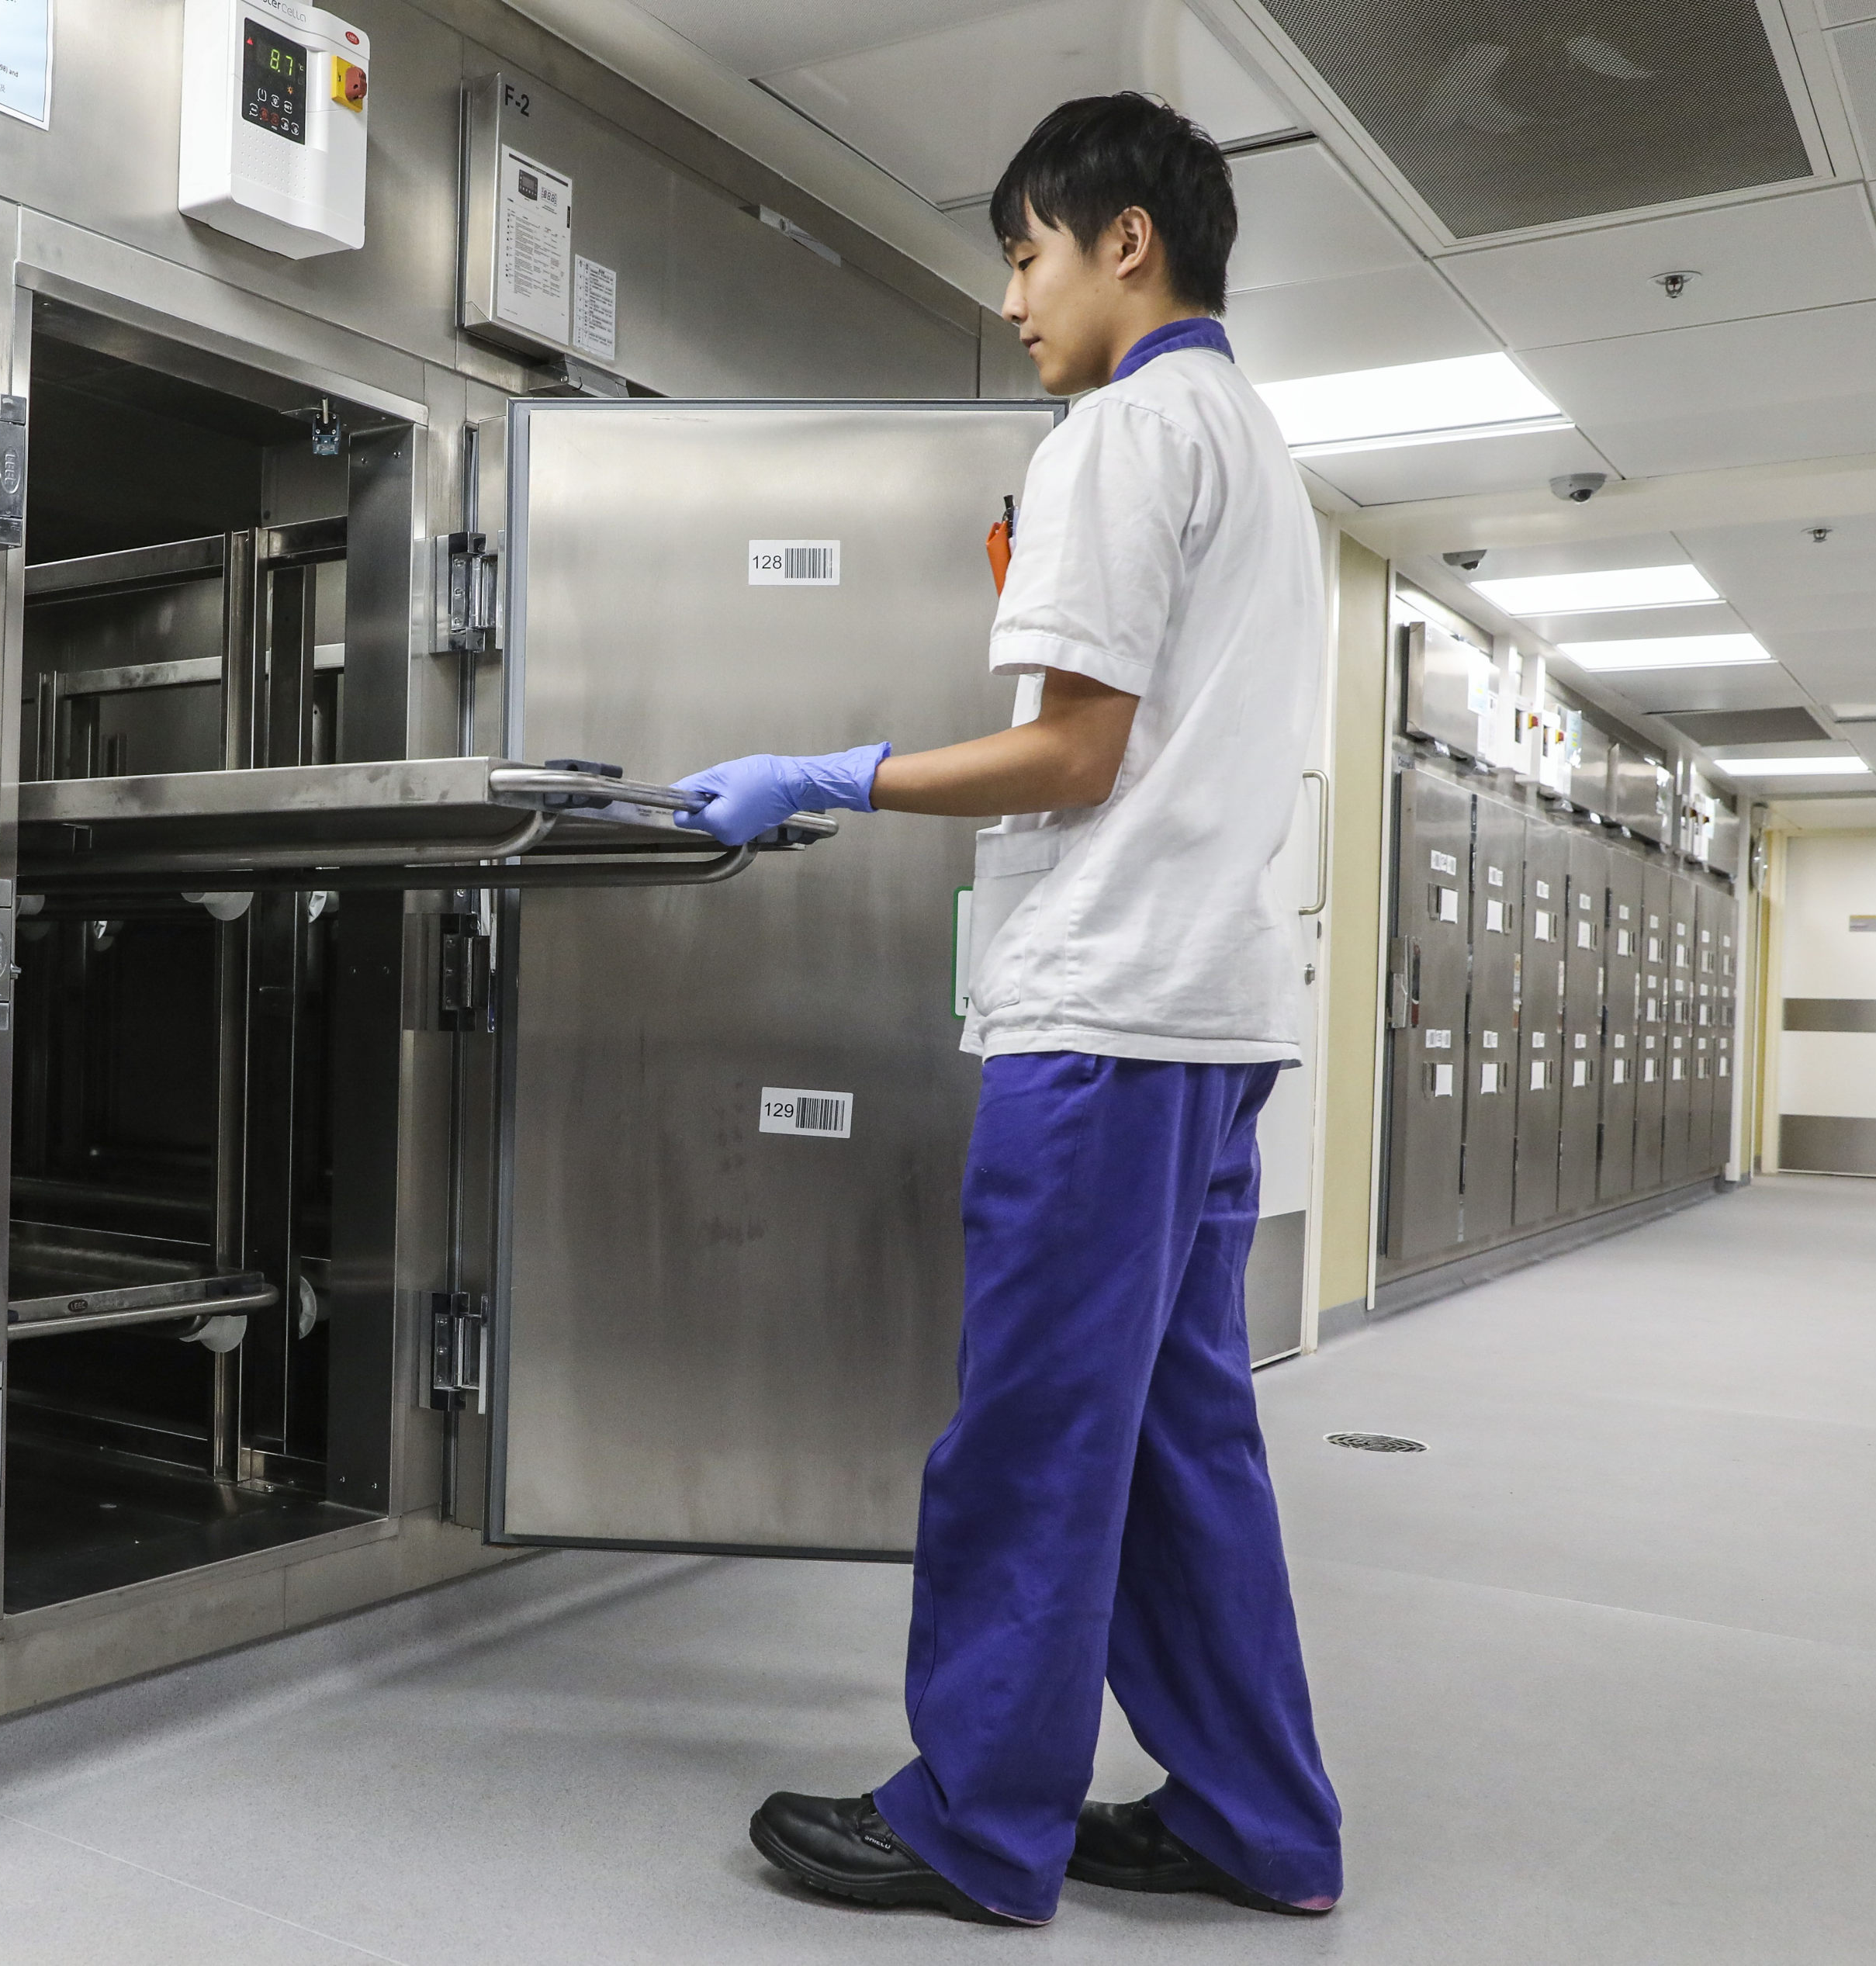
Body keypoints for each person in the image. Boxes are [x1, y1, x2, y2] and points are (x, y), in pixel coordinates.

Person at [670, 93, 1342, 1928]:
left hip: (1107, 1021)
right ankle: (1252, 1813)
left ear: (1127, 238)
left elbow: (1068, 752)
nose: (1013, 294)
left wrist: (826, 772)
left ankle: (974, 1816)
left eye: (1027, 251)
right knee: (1173, 1434)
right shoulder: (1251, 444)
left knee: (1036, 1432)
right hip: (1209, 1022)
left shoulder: (1120, 438)